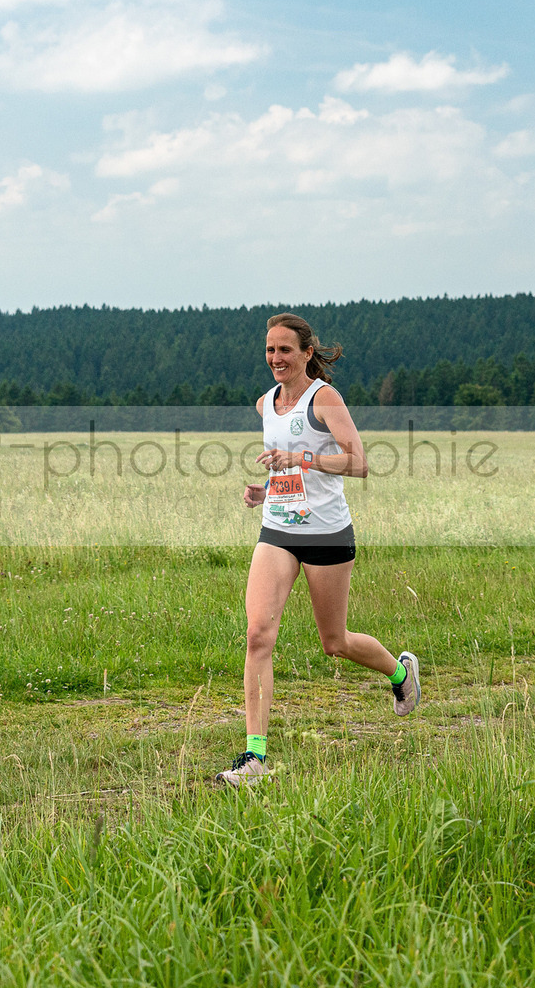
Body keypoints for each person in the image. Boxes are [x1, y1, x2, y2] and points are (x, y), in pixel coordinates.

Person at [216, 313, 421, 787]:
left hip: (327, 533)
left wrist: (301, 458)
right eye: (270, 350)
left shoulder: (324, 398)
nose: (275, 359)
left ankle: (399, 672)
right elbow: (284, 471)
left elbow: (359, 462)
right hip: (279, 532)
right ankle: (254, 758)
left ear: (307, 353)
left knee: (335, 642)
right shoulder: (264, 404)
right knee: (257, 636)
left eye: (285, 350)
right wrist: (265, 491)